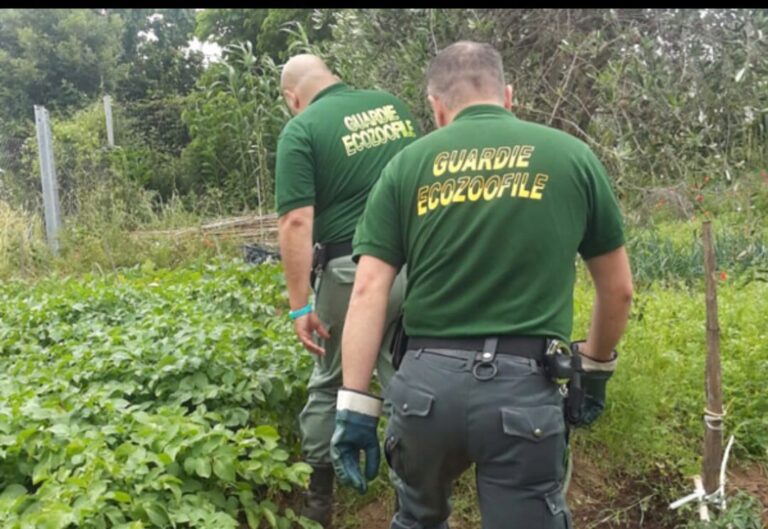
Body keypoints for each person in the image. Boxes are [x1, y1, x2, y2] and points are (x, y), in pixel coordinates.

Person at [329, 41, 633, 529]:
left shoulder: (406, 165)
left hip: (424, 392)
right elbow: (617, 290)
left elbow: (367, 292)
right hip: (521, 393)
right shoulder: (571, 157)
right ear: (508, 96)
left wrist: (355, 404)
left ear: (436, 106)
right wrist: (593, 367)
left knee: (418, 519)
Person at [275, 54, 420, 527]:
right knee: (404, 372)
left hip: (350, 271)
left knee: (329, 382)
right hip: (413, 266)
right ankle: (413, 500)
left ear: (292, 97)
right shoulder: (393, 107)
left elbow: (297, 221)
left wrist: (301, 306)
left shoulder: (302, 129)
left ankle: (319, 507)